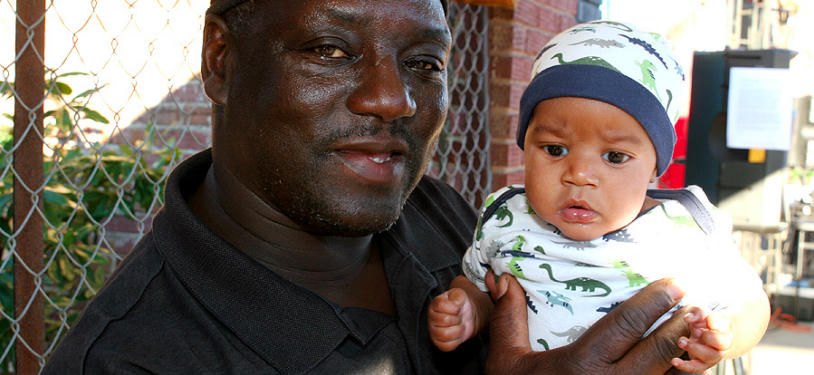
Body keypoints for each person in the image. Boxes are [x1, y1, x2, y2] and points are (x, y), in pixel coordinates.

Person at [42, 2, 698, 374]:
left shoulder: (444, 217)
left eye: (424, 63)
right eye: (330, 49)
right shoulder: (131, 363)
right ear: (221, 59)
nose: (392, 98)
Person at [428, 20, 770, 374]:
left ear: (655, 167)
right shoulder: (506, 216)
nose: (578, 174)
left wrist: (726, 334)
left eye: (615, 157)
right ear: (525, 147)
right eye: (555, 149)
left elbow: (751, 301)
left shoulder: (687, 225)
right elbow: (477, 285)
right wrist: (467, 309)